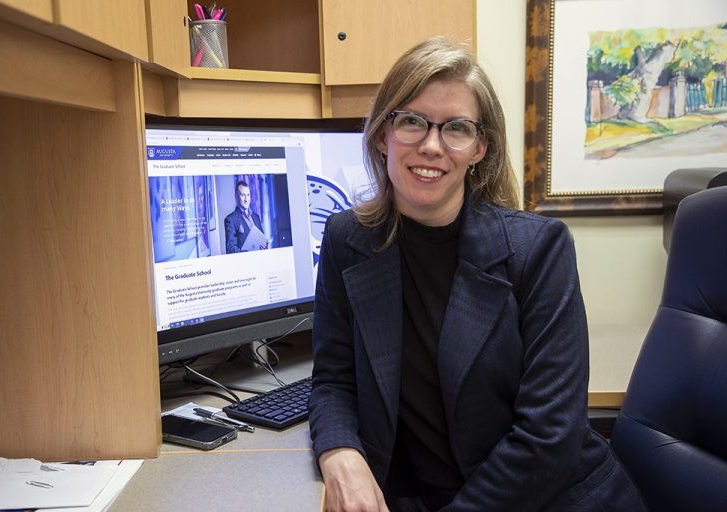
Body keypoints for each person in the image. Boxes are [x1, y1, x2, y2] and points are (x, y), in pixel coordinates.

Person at [308, 37, 646, 512]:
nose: (431, 145)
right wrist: (340, 451)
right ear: (383, 134)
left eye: (456, 129)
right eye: (411, 121)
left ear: (480, 147)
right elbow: (333, 381)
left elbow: (549, 436)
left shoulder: (538, 249)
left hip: (549, 501)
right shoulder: (348, 240)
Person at [224, 180, 266, 253]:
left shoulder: (256, 217)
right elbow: (230, 249)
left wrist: (265, 246)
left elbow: (263, 240)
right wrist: (248, 251)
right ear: (236, 196)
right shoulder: (230, 220)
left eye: (248, 195)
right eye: (243, 195)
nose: (246, 199)